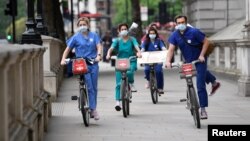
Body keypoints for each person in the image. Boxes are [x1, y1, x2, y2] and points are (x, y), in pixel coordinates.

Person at [165, 15, 221, 119]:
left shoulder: (194, 32)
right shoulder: (174, 35)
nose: (181, 24)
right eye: (179, 23)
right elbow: (171, 49)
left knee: (200, 84)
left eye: (183, 22)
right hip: (188, 61)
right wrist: (168, 61)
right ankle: (214, 83)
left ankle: (203, 110)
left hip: (200, 60)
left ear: (186, 22)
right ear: (176, 24)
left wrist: (202, 55)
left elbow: (206, 42)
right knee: (197, 76)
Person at [60, 17, 102, 120]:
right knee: (89, 86)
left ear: (87, 25)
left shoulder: (94, 36)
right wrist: (63, 59)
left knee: (94, 87)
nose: (82, 26)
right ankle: (90, 107)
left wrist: (99, 55)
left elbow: (99, 46)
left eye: (84, 24)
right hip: (81, 63)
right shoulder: (75, 37)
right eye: (80, 25)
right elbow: (67, 49)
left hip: (93, 63)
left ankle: (93, 109)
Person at [106, 23, 142, 111]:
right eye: (122, 29)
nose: (124, 31)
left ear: (127, 30)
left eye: (125, 29)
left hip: (131, 60)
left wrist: (139, 52)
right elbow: (111, 48)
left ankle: (131, 83)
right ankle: (118, 102)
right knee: (118, 84)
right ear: (119, 31)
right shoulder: (117, 41)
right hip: (120, 62)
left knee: (129, 72)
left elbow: (136, 46)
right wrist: (108, 54)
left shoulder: (132, 39)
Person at [141, 27, 166, 94]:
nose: (152, 35)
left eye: (153, 33)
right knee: (146, 70)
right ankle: (149, 80)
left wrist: (165, 51)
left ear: (156, 34)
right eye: (150, 33)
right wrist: (140, 52)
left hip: (158, 60)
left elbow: (163, 47)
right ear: (148, 34)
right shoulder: (146, 41)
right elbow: (142, 48)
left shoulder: (159, 41)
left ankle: (160, 88)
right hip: (148, 60)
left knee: (158, 71)